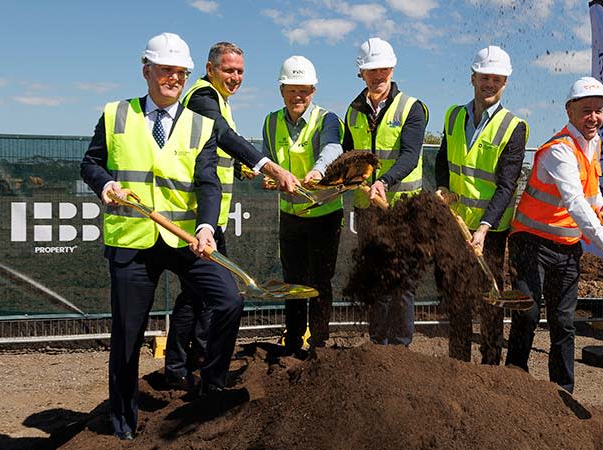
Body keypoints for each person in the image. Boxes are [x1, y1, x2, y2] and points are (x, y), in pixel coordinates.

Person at [79, 33, 296, 441]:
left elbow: (208, 183)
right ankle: (123, 426)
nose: (174, 78)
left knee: (229, 300)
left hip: (184, 241)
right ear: (146, 70)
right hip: (133, 241)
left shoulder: (200, 125)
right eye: (166, 70)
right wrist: (104, 184)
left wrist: (206, 227)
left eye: (180, 72)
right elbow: (90, 163)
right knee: (127, 336)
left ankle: (211, 389)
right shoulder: (116, 115)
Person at [163, 42, 300, 390]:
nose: (235, 77)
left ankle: (186, 363)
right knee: (213, 296)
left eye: (240, 71)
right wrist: (269, 166)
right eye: (228, 70)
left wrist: (241, 169)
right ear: (210, 69)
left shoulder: (218, 100)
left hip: (209, 219)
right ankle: (191, 366)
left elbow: (211, 151)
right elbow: (223, 135)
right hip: (197, 220)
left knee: (197, 296)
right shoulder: (203, 97)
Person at [504, 76, 603, 394]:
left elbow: (588, 194)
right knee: (528, 314)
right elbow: (573, 201)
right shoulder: (559, 150)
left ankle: (563, 393)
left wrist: (602, 205)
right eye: (586, 111)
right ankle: (514, 384)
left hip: (567, 246)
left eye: (598, 111)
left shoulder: (592, 144)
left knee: (564, 322)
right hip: (531, 242)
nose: (594, 118)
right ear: (569, 111)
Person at [434, 45, 528, 364]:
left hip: (490, 230)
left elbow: (507, 185)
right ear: (473, 78)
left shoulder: (513, 127)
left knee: (490, 299)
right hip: (456, 223)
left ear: (505, 83)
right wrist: (443, 187)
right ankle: (458, 365)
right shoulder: (453, 116)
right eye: (484, 77)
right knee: (457, 296)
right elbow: (442, 160)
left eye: (497, 79)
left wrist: (485, 228)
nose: (490, 84)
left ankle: (490, 367)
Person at [342, 37, 428, 346]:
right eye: (371, 70)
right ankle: (377, 345)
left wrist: (385, 181)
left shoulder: (412, 108)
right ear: (361, 73)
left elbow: (410, 155)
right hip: (368, 210)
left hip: (403, 208)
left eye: (383, 69)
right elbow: (349, 155)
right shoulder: (353, 111)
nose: (378, 75)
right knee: (375, 277)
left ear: (392, 69)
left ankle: (400, 348)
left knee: (402, 281)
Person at [261, 55, 344, 355]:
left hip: (325, 216)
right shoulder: (271, 122)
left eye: (304, 90)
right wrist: (269, 177)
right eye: (292, 90)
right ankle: (293, 341)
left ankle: (319, 344)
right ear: (281, 90)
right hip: (291, 215)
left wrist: (319, 171)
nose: (298, 96)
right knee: (293, 281)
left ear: (313, 91)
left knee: (321, 281)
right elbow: (267, 160)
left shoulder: (327, 119)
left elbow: (332, 147)